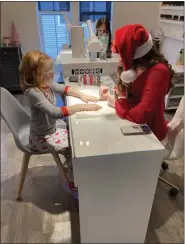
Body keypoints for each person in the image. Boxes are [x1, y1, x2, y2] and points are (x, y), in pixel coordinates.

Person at [20, 50, 101, 192]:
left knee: (75, 138)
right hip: (40, 138)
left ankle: (74, 171)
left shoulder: (45, 84)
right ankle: (72, 182)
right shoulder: (33, 92)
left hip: (50, 131)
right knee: (74, 148)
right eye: (47, 72)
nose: (51, 74)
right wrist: (82, 107)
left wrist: (81, 95)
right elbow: (55, 112)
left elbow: (64, 88)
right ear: (35, 74)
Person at [99, 24, 175, 142]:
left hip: (153, 135)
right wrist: (111, 90)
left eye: (121, 57)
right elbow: (129, 94)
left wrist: (116, 103)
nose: (119, 61)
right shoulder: (135, 67)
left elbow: (141, 114)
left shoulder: (159, 72)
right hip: (136, 126)